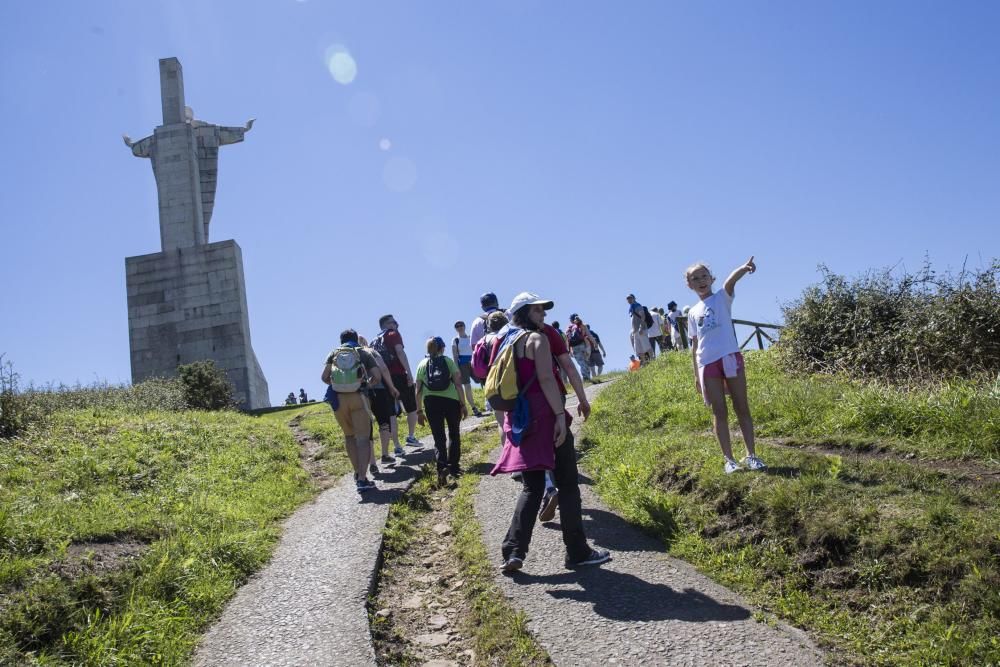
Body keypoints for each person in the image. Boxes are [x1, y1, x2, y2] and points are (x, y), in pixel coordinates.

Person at [491, 292, 610, 573]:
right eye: (536, 310)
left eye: (543, 310)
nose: (542, 314)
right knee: (568, 483)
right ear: (523, 313)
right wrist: (559, 415)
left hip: (519, 415)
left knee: (532, 487)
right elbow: (546, 377)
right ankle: (578, 552)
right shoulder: (538, 339)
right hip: (545, 412)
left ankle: (513, 551)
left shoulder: (507, 341)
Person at [686, 257, 767, 474]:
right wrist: (696, 375)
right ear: (690, 285)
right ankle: (729, 460)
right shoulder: (692, 313)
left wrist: (743, 268)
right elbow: (694, 346)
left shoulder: (722, 298)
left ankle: (752, 455)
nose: (701, 280)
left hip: (730, 357)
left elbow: (730, 282)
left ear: (711, 278)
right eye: (695, 278)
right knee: (719, 412)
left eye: (704, 276)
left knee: (742, 406)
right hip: (707, 364)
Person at [321, 329, 386, 493]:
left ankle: (357, 473)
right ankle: (363, 479)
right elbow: (377, 376)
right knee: (363, 439)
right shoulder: (363, 352)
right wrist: (365, 385)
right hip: (360, 398)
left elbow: (324, 377)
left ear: (341, 340)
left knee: (349, 436)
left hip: (339, 400)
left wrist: (339, 385)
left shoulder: (334, 353)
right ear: (356, 338)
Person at [416, 337, 469, 486]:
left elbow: (418, 390)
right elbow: (458, 384)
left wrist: (419, 411)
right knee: (454, 433)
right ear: (442, 348)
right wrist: (463, 405)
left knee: (439, 438)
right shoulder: (448, 362)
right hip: (451, 401)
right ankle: (454, 467)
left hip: (431, 402)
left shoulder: (422, 364)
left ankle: (441, 469)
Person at [373, 314, 421, 447]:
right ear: (387, 324)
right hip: (398, 374)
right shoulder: (393, 334)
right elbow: (400, 352)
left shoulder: (375, 340)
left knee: (391, 413)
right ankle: (411, 437)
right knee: (412, 407)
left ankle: (397, 446)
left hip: (384, 379)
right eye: (393, 322)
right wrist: (409, 374)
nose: (396, 325)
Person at [358, 335, 401, 467]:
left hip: (360, 393)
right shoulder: (371, 352)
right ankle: (384, 454)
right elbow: (383, 369)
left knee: (367, 427)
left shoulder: (353, 355)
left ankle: (372, 462)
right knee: (384, 423)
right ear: (366, 342)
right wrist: (392, 387)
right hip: (378, 390)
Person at [452, 321, 482, 417]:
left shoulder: (470, 338)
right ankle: (474, 408)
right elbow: (455, 355)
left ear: (465, 326)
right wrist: (457, 369)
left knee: (482, 381)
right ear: (455, 328)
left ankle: (489, 403)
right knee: (467, 386)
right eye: (457, 326)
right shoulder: (455, 340)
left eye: (461, 325)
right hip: (462, 365)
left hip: (473, 362)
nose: (459, 327)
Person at [565, 314, 593, 381]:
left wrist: (568, 350)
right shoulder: (582, 325)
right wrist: (594, 343)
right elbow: (589, 335)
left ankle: (586, 377)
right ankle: (587, 377)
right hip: (582, 345)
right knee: (585, 361)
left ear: (571, 320)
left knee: (581, 362)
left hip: (574, 347)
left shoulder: (569, 328)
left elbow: (567, 339)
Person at [626, 294, 652, 364]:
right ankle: (645, 362)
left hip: (641, 329)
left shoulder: (637, 305)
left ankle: (652, 360)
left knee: (647, 346)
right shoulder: (631, 308)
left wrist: (641, 327)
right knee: (639, 350)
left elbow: (642, 315)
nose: (629, 300)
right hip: (635, 331)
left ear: (634, 298)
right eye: (627, 299)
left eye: (630, 298)